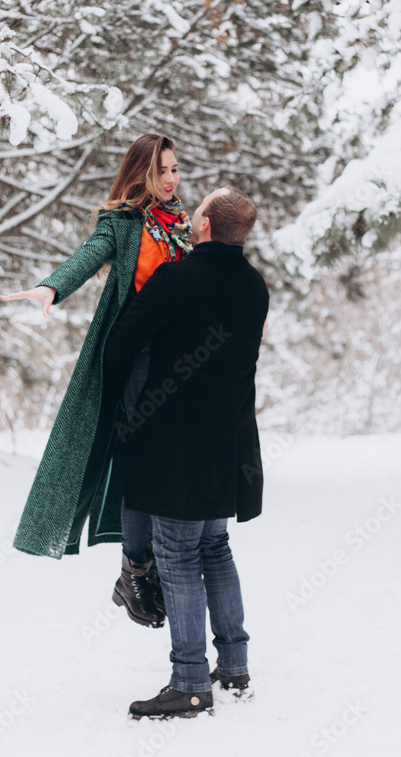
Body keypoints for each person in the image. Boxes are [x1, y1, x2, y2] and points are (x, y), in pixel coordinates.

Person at [1, 133, 193, 628]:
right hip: (137, 359)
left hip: (178, 362)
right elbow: (90, 255)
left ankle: (151, 562)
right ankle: (136, 569)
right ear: (141, 174)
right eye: (161, 170)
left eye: (175, 169)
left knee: (164, 464)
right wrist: (52, 286)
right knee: (140, 464)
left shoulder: (181, 225)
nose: (170, 179)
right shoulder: (123, 224)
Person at [102, 185, 269, 719]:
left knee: (177, 557)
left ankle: (191, 682)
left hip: (175, 445)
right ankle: (235, 666)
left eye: (197, 211)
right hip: (230, 441)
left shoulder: (175, 279)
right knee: (214, 548)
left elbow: (120, 343)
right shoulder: (255, 286)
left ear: (204, 225)